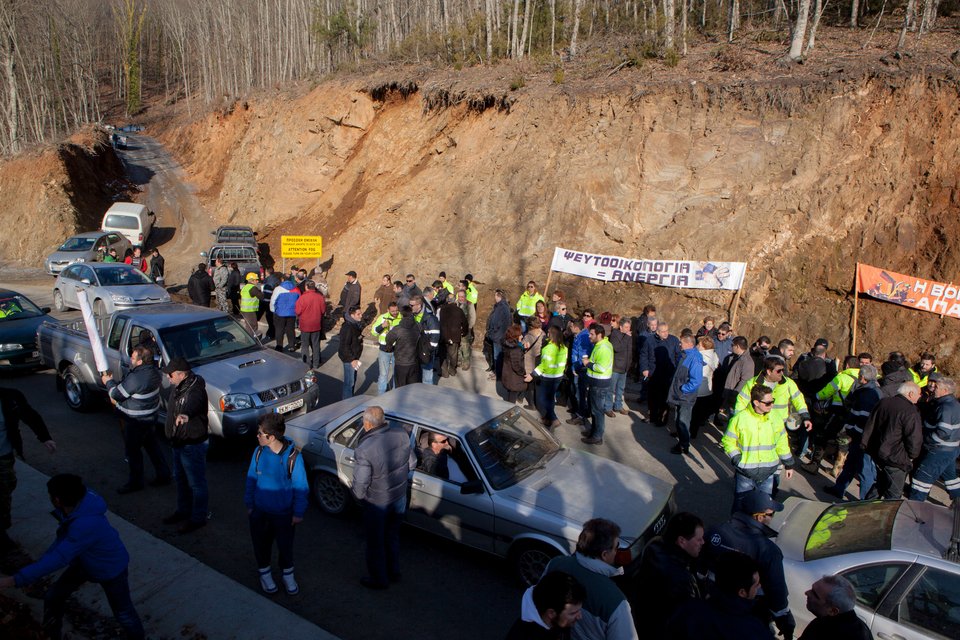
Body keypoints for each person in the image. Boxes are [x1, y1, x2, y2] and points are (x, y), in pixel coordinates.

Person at [0, 474, 144, 639]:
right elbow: (60, 546)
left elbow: (59, 557)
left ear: (57, 500)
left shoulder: (83, 525)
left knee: (124, 613)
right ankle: (51, 634)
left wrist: (13, 580)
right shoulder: (81, 504)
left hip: (110, 569)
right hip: (85, 561)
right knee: (54, 597)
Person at [705, 490, 795, 640]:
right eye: (771, 514)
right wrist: (785, 620)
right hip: (748, 609)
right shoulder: (768, 550)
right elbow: (776, 589)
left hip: (713, 597)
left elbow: (701, 564)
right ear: (759, 517)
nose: (772, 518)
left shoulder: (716, 532)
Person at [351, 406, 416, 589]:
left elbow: (360, 487)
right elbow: (412, 462)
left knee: (375, 542)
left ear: (367, 424)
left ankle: (379, 579)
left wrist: (359, 497)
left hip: (377, 504)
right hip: (399, 497)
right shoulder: (401, 434)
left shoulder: (365, 449)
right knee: (392, 536)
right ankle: (394, 571)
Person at [543, 518, 640, 640]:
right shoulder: (617, 602)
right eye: (616, 547)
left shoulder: (554, 564)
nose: (617, 552)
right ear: (604, 554)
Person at [245, 414, 307, 596]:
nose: (257, 436)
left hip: (284, 514)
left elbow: (301, 487)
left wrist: (298, 512)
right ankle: (265, 573)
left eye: (260, 434)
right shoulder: (257, 452)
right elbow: (251, 479)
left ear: (271, 437)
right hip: (259, 512)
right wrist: (249, 504)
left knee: (285, 546)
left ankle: (287, 575)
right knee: (261, 545)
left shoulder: (294, 457)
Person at [103, 345, 171, 494]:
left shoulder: (137, 377)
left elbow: (117, 395)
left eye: (133, 358)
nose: (131, 360)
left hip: (135, 420)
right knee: (152, 447)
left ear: (140, 361)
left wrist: (108, 382)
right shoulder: (155, 372)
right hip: (150, 417)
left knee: (133, 451)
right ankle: (164, 474)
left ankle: (136, 482)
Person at [667, 551, 773, 640]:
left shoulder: (686, 610)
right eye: (756, 584)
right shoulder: (754, 631)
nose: (759, 586)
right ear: (742, 592)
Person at [0, 387, 56, 553]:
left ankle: (2, 526)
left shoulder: (10, 397)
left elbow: (30, 416)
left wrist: (45, 437)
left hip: (4, 456)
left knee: (6, 488)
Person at [723, 385, 795, 511]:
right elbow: (728, 440)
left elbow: (782, 442)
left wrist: (789, 464)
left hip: (768, 472)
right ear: (756, 402)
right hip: (746, 472)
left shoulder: (775, 418)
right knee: (741, 506)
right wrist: (737, 458)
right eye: (768, 403)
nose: (771, 405)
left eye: (773, 401)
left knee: (764, 508)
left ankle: (758, 529)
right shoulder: (740, 419)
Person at [635, 512, 705, 637]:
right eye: (699, 539)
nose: (703, 542)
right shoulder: (680, 579)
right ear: (682, 541)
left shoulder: (654, 548)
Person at [160, 357, 209, 534]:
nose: (168, 378)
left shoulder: (195, 389)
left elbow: (193, 405)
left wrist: (186, 414)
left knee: (196, 483)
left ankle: (198, 518)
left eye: (170, 375)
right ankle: (183, 511)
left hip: (191, 444)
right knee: (180, 479)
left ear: (181, 374)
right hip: (178, 441)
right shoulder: (180, 386)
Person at [825, 364, 882, 501]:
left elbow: (860, 417)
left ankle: (866, 501)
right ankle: (839, 488)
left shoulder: (866, 395)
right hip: (864, 437)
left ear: (862, 378)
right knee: (851, 463)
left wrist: (850, 430)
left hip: (862, 438)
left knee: (864, 470)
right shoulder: (876, 392)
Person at [861, 381, 923, 499]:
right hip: (896, 458)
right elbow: (914, 438)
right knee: (893, 494)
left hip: (878, 453)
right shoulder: (910, 411)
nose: (920, 397)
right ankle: (886, 515)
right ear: (910, 393)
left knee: (880, 485)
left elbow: (870, 425)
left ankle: (865, 508)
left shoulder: (884, 402)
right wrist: (913, 455)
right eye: (919, 394)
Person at [908, 376, 960, 502]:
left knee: (920, 481)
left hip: (938, 450)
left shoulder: (945, 407)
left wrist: (927, 440)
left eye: (937, 388)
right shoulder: (954, 404)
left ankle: (914, 511)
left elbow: (943, 432)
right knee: (951, 480)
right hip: (950, 450)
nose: (934, 389)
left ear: (945, 390)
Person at [506, 571, 586, 640]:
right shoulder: (521, 636)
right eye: (573, 613)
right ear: (551, 613)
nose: (580, 616)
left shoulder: (559, 621)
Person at [798, 575, 872, 640]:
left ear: (833, 611)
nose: (807, 593)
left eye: (814, 594)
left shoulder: (824, 631)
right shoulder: (826, 622)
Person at [667, 334, 704, 454]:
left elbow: (696, 380)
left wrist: (684, 388)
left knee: (683, 420)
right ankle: (680, 435)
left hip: (685, 396)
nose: (679, 345)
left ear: (689, 344)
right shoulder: (686, 355)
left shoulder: (694, 358)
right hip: (680, 394)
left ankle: (684, 445)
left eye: (681, 343)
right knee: (678, 418)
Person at [642, 322, 682, 426]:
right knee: (652, 396)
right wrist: (644, 368)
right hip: (653, 372)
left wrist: (676, 370)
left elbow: (678, 356)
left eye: (667, 331)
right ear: (657, 332)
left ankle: (662, 419)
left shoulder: (673, 340)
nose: (666, 333)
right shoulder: (649, 340)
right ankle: (652, 416)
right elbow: (644, 355)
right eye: (663, 331)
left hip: (668, 373)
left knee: (664, 398)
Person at [581, 324, 614, 446]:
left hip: (600, 384)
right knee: (594, 409)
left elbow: (600, 367)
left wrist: (587, 363)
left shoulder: (603, 348)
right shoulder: (599, 345)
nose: (589, 336)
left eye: (592, 334)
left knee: (597, 411)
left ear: (599, 335)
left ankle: (597, 436)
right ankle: (594, 431)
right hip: (596, 382)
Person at [535, 326, 569, 429]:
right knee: (550, 398)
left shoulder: (547, 348)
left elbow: (544, 365)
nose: (547, 334)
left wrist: (533, 374)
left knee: (543, 399)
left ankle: (554, 419)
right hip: (558, 376)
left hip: (547, 377)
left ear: (552, 334)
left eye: (548, 333)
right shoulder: (564, 348)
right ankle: (547, 418)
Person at [385, 306, 422, 387]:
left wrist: (390, 347)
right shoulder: (418, 326)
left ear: (401, 315)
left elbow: (388, 339)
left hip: (401, 363)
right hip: (414, 362)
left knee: (400, 389)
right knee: (412, 388)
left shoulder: (398, 329)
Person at [692, 335, 719, 438]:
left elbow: (695, 374)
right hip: (707, 390)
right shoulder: (714, 356)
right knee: (698, 414)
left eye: (699, 344)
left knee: (693, 414)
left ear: (703, 347)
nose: (697, 346)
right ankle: (694, 432)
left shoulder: (700, 357)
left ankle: (688, 432)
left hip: (698, 389)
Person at [371, 302, 402, 394]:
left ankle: (394, 394)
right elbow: (373, 332)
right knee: (383, 374)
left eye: (396, 310)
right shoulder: (382, 317)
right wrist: (382, 326)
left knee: (397, 374)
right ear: (388, 310)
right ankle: (381, 395)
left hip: (397, 350)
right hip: (384, 350)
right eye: (393, 311)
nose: (395, 312)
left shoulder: (402, 318)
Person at [295, 279, 326, 369]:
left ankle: (306, 363)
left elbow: (297, 311)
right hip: (316, 324)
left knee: (305, 345)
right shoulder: (320, 297)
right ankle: (316, 363)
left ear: (306, 287)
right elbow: (323, 311)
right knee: (315, 344)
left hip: (305, 325)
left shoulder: (302, 298)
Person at [411, 293, 441, 384]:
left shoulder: (430, 319)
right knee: (417, 377)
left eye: (411, 305)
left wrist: (427, 350)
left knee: (427, 379)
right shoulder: (412, 316)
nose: (410, 307)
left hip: (426, 353)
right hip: (415, 352)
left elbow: (435, 337)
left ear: (419, 305)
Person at [485, 289, 512, 380]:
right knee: (497, 356)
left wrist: (492, 333)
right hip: (499, 335)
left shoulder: (501, 307)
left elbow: (496, 323)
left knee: (498, 356)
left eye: (495, 295)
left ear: (498, 296)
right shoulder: (502, 306)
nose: (494, 297)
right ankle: (497, 372)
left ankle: (498, 375)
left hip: (498, 336)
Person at [439, 294, 468, 377]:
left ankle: (444, 372)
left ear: (448, 300)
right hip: (454, 335)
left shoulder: (442, 310)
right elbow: (465, 323)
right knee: (453, 354)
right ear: (455, 300)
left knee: (443, 354)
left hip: (443, 335)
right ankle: (452, 370)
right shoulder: (459, 310)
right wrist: (464, 332)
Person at [338, 305, 364, 399]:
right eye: (358, 314)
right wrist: (352, 359)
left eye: (361, 313)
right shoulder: (348, 327)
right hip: (350, 359)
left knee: (352, 381)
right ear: (352, 315)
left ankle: (350, 399)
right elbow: (344, 346)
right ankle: (347, 404)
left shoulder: (355, 324)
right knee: (349, 383)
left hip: (354, 357)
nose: (361, 316)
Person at [609, 317, 633, 416]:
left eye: (629, 327)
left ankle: (618, 406)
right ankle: (608, 407)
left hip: (625, 367)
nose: (628, 329)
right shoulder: (615, 334)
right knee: (611, 389)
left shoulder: (628, 336)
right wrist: (627, 337)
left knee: (620, 389)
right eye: (626, 327)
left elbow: (630, 350)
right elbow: (617, 348)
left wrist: (630, 363)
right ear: (621, 327)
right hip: (616, 367)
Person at [270, 279, 299, 352]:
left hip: (280, 313)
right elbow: (299, 301)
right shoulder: (296, 289)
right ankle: (292, 346)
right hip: (292, 313)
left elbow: (273, 301)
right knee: (291, 329)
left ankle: (279, 346)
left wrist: (273, 310)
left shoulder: (278, 289)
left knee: (279, 329)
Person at [501, 324, 528, 404]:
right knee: (512, 397)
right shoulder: (516, 349)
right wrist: (523, 372)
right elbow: (516, 365)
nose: (522, 336)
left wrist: (522, 348)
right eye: (520, 334)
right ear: (516, 336)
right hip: (514, 378)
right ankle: (509, 413)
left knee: (510, 393)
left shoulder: (507, 344)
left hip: (507, 373)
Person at [522, 316, 545, 407]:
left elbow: (524, 347)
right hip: (539, 361)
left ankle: (532, 404)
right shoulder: (543, 334)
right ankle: (537, 403)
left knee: (530, 383)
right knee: (537, 383)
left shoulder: (528, 336)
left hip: (529, 362)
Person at [260, 267, 282, 341]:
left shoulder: (269, 281)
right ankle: (271, 332)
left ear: (267, 272)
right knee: (272, 319)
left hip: (268, 302)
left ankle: (271, 334)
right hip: (275, 302)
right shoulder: (276, 279)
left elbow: (267, 294)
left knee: (270, 319)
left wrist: (264, 302)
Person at [457, 289, 476, 371]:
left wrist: (469, 327)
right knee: (458, 346)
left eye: (462, 297)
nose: (460, 298)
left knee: (465, 347)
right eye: (459, 296)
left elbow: (473, 317)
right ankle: (459, 361)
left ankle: (466, 363)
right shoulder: (456, 303)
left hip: (466, 329)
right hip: (457, 329)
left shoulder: (469, 304)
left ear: (465, 296)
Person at [239, 272, 263, 337]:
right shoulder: (253, 288)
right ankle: (251, 341)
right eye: (256, 280)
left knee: (248, 326)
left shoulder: (245, 287)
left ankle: (249, 340)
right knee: (253, 326)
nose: (257, 281)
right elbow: (261, 297)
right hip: (250, 310)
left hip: (244, 309)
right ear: (252, 280)